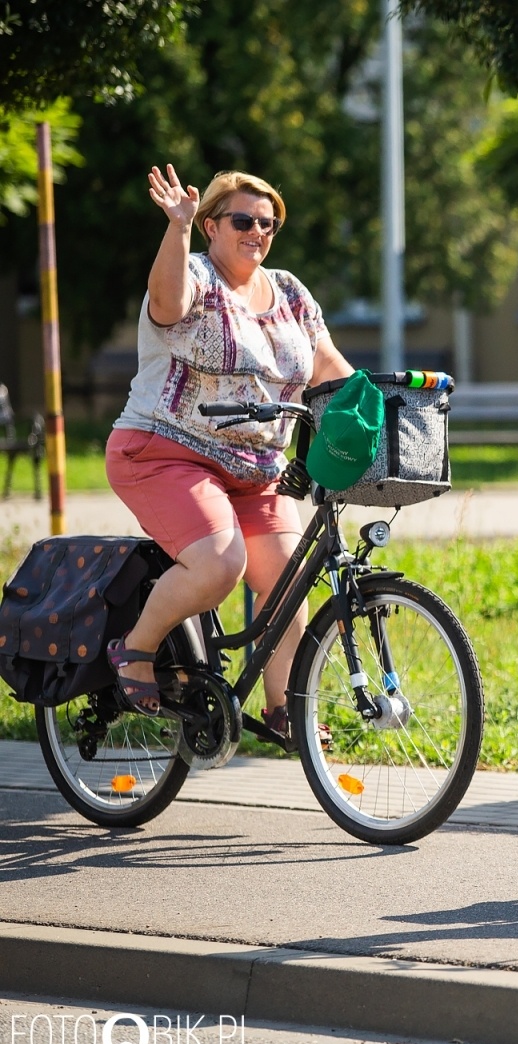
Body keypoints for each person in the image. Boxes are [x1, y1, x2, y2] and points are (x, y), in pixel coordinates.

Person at [104, 166, 355, 747]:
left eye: (268, 224)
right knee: (221, 565)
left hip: (256, 471)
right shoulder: (191, 273)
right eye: (244, 220)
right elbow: (167, 306)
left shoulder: (290, 292)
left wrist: (378, 399)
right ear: (212, 225)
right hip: (165, 451)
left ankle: (282, 705)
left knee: (289, 578)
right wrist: (177, 228)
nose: (258, 232)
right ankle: (135, 650)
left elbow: (329, 368)